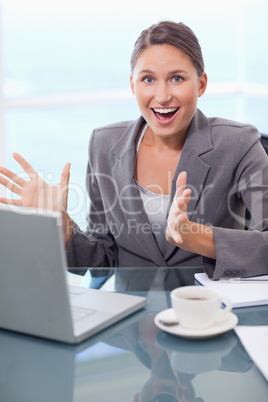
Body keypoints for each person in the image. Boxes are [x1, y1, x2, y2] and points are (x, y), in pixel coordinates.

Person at [1, 21, 268, 288]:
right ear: (133, 85)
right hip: (129, 316)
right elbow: (102, 260)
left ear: (201, 84)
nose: (162, 96)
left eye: (177, 78)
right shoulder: (103, 144)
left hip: (208, 313)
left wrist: (198, 238)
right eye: (148, 79)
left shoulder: (238, 143)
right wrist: (61, 224)